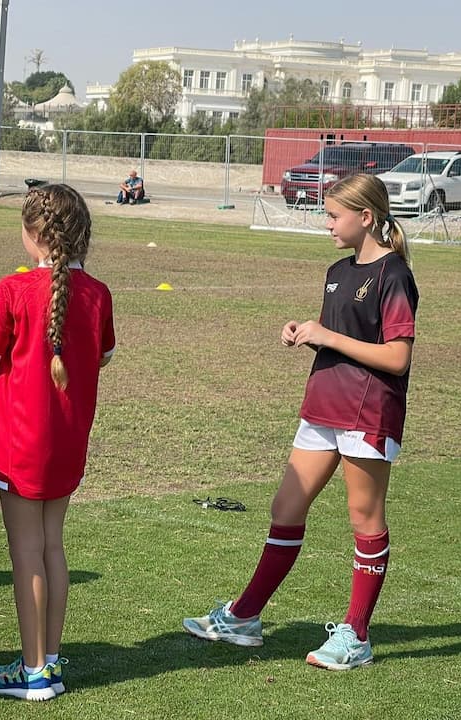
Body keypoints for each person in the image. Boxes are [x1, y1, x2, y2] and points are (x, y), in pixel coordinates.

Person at [183, 173, 419, 671]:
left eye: (334, 215)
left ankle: (356, 635)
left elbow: (397, 357)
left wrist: (327, 336)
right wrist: (308, 333)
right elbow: (342, 334)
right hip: (323, 405)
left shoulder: (394, 274)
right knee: (285, 507)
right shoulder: (337, 270)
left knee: (364, 519)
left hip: (367, 410)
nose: (326, 223)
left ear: (366, 217)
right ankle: (245, 617)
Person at [0, 183, 116, 700]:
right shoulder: (98, 294)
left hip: (18, 445)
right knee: (52, 547)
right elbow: (99, 356)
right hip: (68, 443)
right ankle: (47, 662)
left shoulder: (12, 289)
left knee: (27, 553)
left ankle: (33, 673)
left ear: (34, 235)